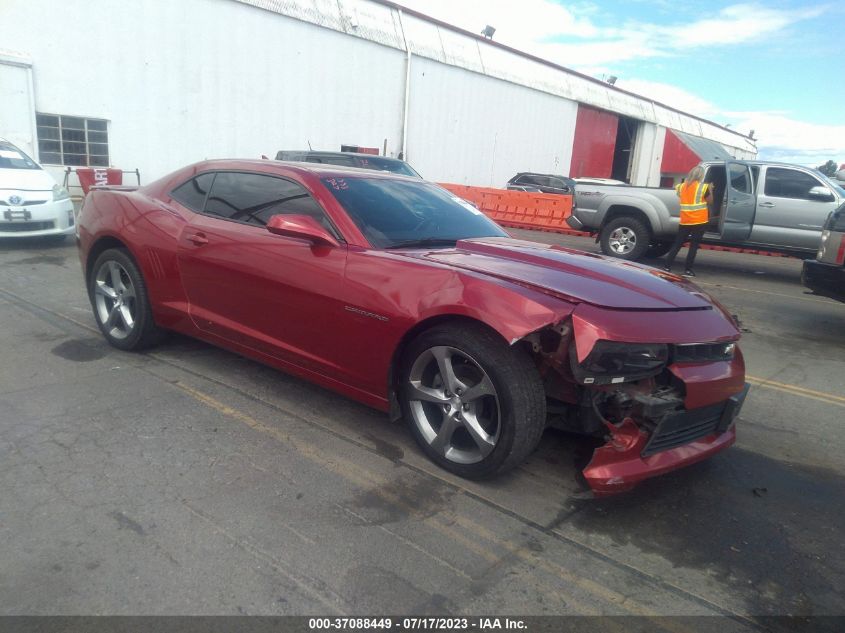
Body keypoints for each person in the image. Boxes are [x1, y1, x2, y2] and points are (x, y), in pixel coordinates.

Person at [663, 166, 713, 277]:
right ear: (701, 175)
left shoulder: (680, 186)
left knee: (677, 244)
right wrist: (711, 190)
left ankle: (667, 267)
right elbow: (710, 201)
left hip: (685, 220)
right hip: (699, 220)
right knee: (693, 246)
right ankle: (688, 270)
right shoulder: (704, 187)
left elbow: (681, 197)